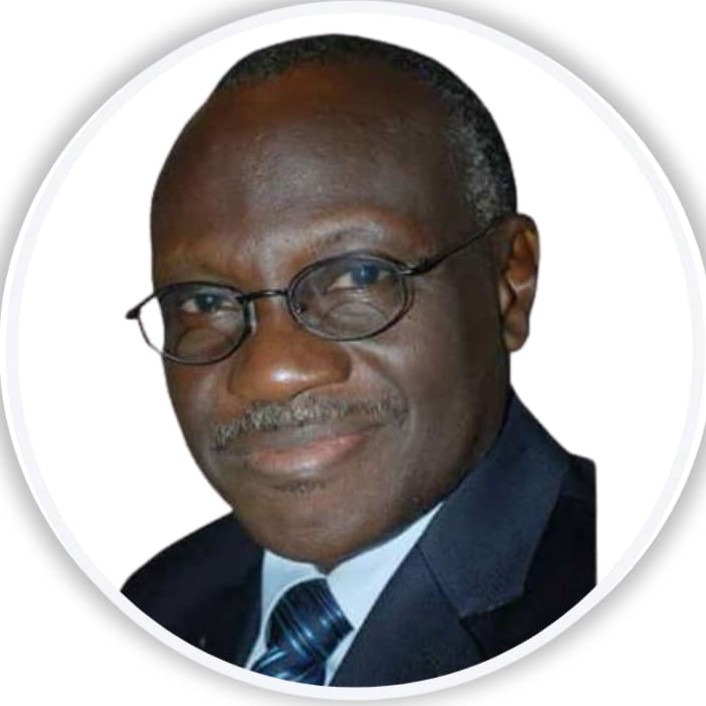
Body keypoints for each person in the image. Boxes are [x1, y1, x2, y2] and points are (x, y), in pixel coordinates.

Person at [122, 34, 595, 687]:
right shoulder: (159, 604)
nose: (270, 374)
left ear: (508, 284)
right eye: (205, 301)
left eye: (358, 276)